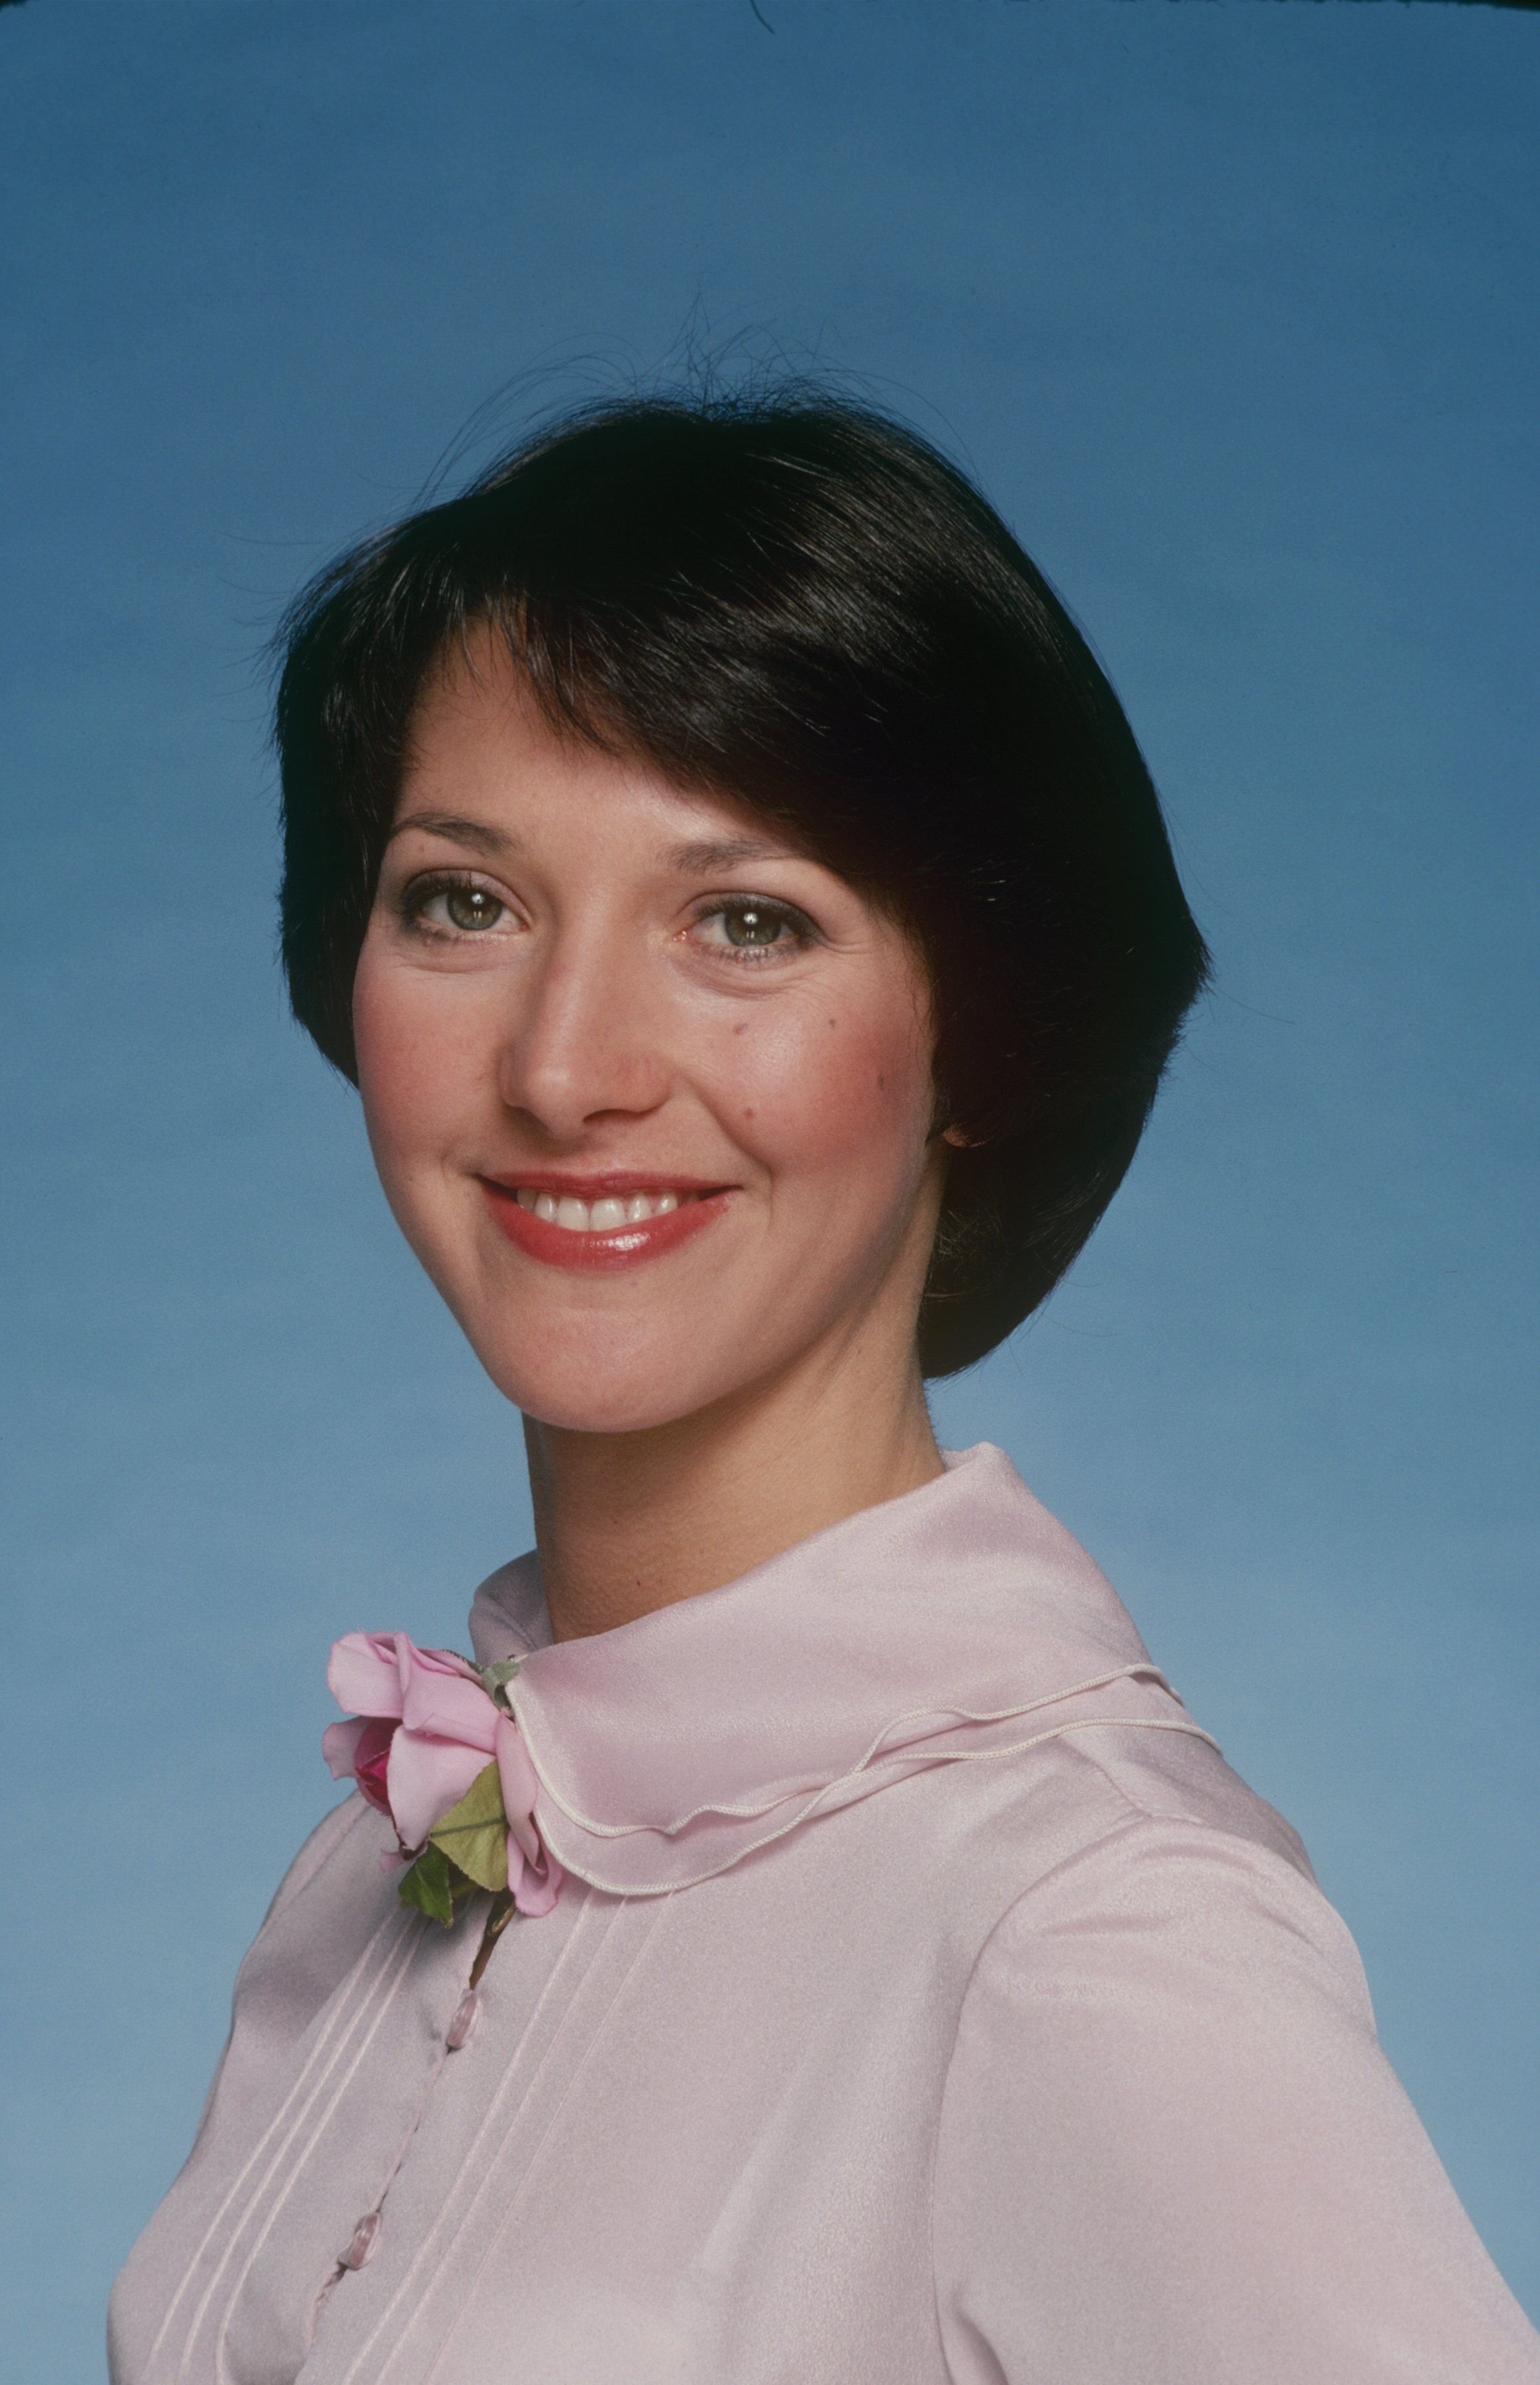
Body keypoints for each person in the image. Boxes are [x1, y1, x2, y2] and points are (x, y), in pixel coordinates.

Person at [109, 389, 1540, 2385]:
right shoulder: (384, 1863)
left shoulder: (1087, 1928)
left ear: (987, 1045)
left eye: (746, 922)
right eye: (466, 901)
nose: (563, 1064)